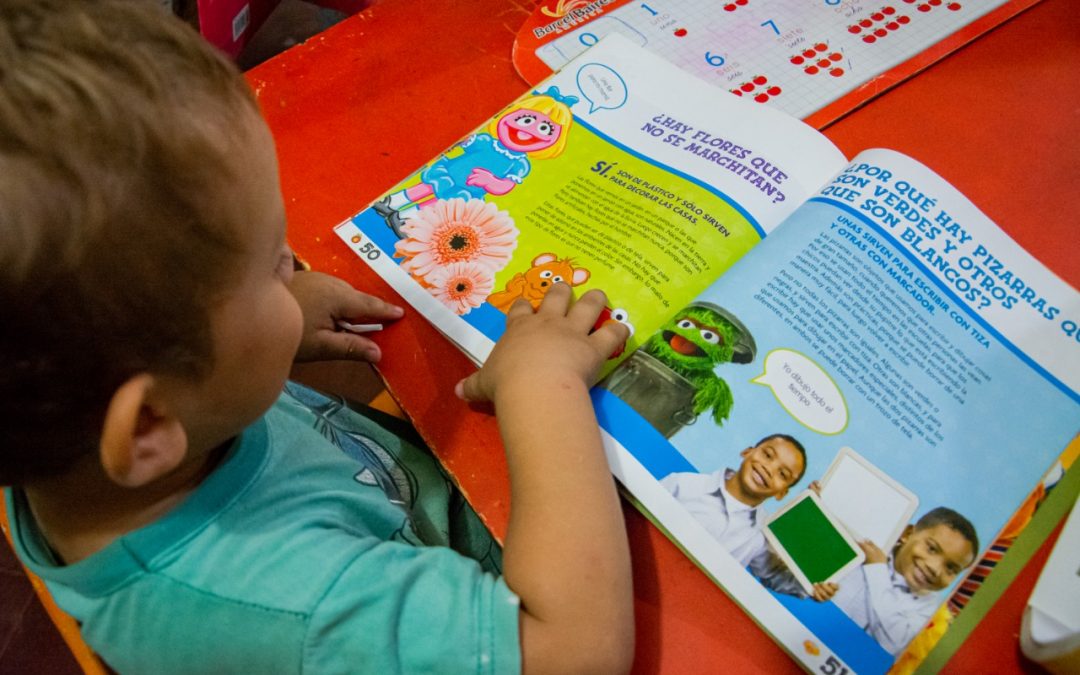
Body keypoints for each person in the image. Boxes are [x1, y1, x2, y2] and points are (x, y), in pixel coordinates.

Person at [0, 1, 633, 673]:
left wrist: (261, 326)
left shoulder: (75, 429)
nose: (292, 267)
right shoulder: (287, 608)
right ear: (150, 421)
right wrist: (544, 388)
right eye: (273, 264)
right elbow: (575, 654)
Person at [759, 507, 979, 656]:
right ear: (907, 533)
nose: (934, 567)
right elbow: (777, 580)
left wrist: (877, 569)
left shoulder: (930, 611)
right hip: (786, 645)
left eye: (951, 568)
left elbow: (893, 641)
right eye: (931, 548)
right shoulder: (855, 552)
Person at [660, 434, 806, 566]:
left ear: (782, 493)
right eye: (767, 455)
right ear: (747, 452)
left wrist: (816, 587)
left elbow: (779, 575)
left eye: (782, 474)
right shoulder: (683, 484)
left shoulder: (763, 536)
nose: (769, 469)